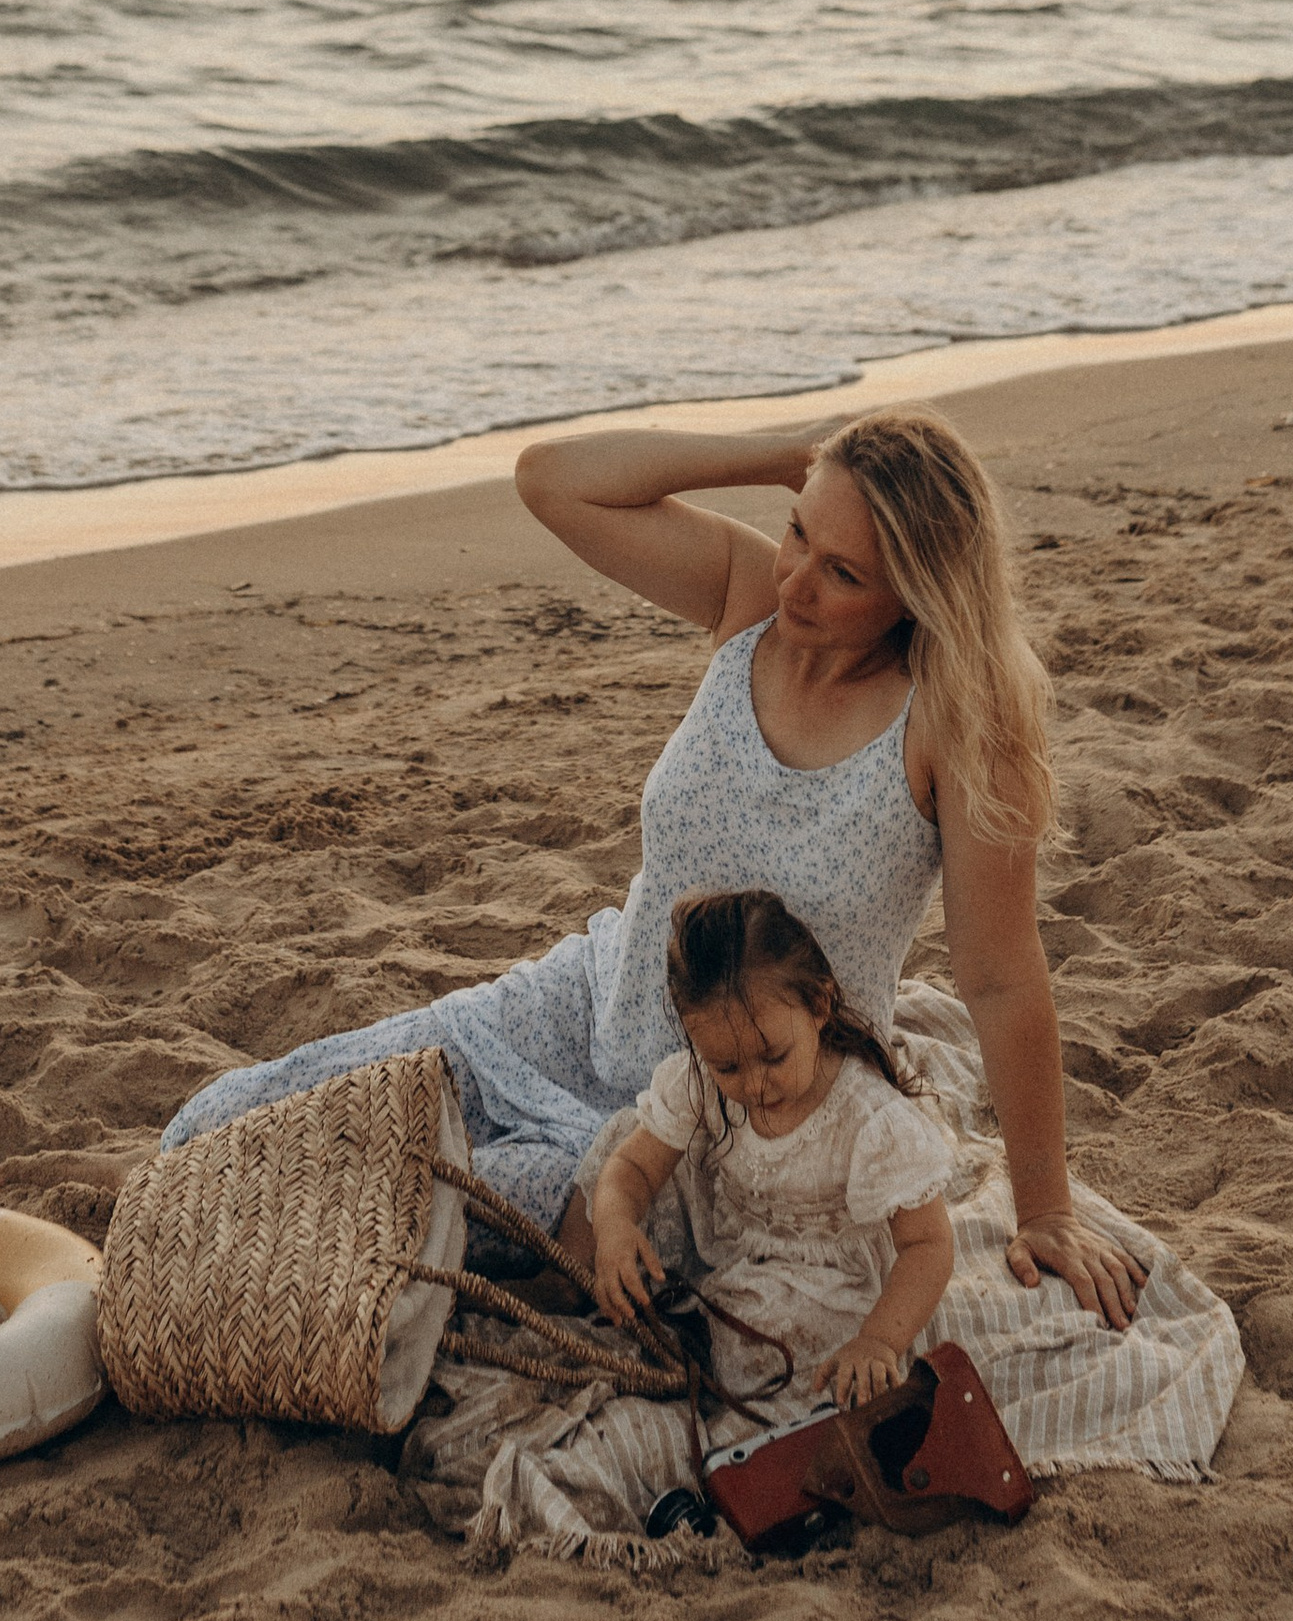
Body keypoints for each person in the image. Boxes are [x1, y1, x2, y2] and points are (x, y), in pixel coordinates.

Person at [159, 407, 1145, 1332]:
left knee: (374, 1210)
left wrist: (1046, 1210)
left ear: (918, 595)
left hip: (721, 1121)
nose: (797, 582)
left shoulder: (959, 729)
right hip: (581, 1007)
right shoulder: (750, 602)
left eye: (843, 572)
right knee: (221, 1129)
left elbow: (1000, 978)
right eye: (798, 533)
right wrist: (784, 452)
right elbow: (552, 480)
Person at [589, 888, 958, 1410]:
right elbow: (634, 1167)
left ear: (819, 1006)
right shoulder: (700, 1084)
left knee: (782, 1339)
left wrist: (879, 1341)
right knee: (618, 1143)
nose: (755, 1085)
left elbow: (929, 1244)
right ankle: (582, 1280)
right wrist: (613, 1225)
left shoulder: (869, 1120)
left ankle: (696, 1342)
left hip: (822, 1277)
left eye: (774, 1057)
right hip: (727, 1230)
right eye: (728, 1067)